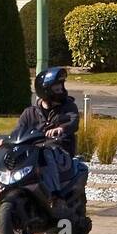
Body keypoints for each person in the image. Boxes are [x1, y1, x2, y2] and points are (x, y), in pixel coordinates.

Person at [14, 66, 82, 204]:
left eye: (61, 87)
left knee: (46, 153)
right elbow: (18, 131)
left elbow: (73, 121)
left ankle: (55, 195)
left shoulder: (68, 106)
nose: (61, 91)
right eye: (57, 89)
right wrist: (5, 141)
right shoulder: (29, 113)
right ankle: (8, 187)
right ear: (45, 91)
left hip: (62, 151)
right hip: (33, 152)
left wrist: (62, 129)